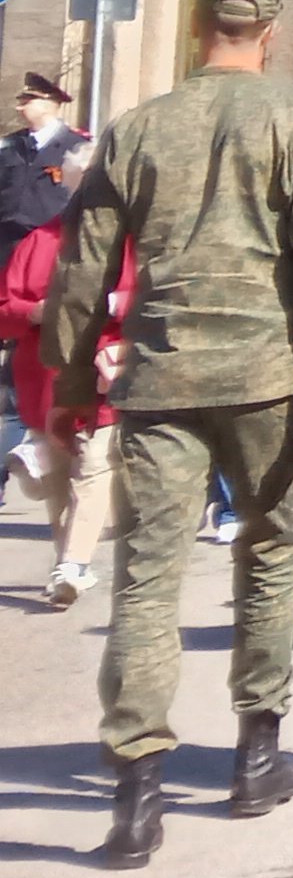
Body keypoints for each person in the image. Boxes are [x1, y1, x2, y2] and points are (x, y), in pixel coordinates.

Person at [40, 0, 293, 864]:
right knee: (267, 551)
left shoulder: (137, 127)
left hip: (159, 379)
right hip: (268, 376)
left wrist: (70, 387)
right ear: (269, 31)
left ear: (197, 27)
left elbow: (82, 270)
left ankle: (136, 792)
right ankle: (256, 758)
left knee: (148, 579)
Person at [4, 132, 122, 604]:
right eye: (81, 185)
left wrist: (111, 310)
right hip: (43, 377)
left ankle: (73, 562)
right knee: (57, 476)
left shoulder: (131, 242)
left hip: (105, 374)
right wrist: (32, 312)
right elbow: (5, 305)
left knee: (93, 468)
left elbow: (153, 303)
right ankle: (65, 563)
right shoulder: (39, 240)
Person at [0, 69, 81, 242]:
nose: (18, 107)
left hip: (50, 243)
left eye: (27, 101)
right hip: (6, 242)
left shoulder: (78, 147)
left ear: (46, 104)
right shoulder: (9, 144)